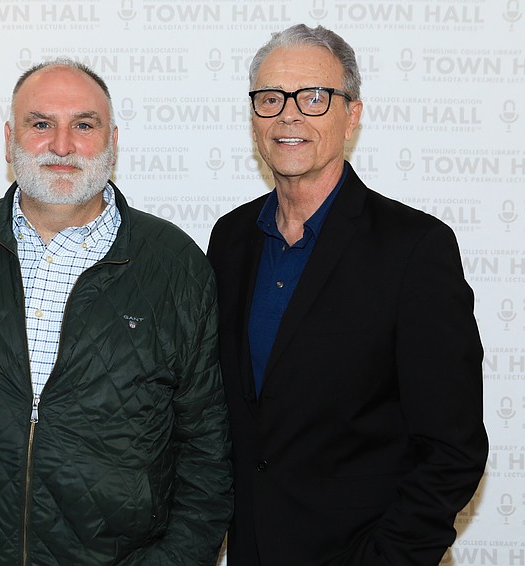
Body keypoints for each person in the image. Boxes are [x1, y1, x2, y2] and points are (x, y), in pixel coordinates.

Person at [0, 58, 233, 565]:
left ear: (113, 141)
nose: (61, 145)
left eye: (83, 125)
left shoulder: (176, 264)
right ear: (8, 140)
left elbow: (207, 451)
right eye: (41, 124)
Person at [207, 24, 488, 566]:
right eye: (270, 98)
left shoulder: (415, 249)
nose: (289, 114)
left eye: (314, 97)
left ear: (352, 114)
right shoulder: (229, 239)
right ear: (254, 117)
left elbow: (454, 450)